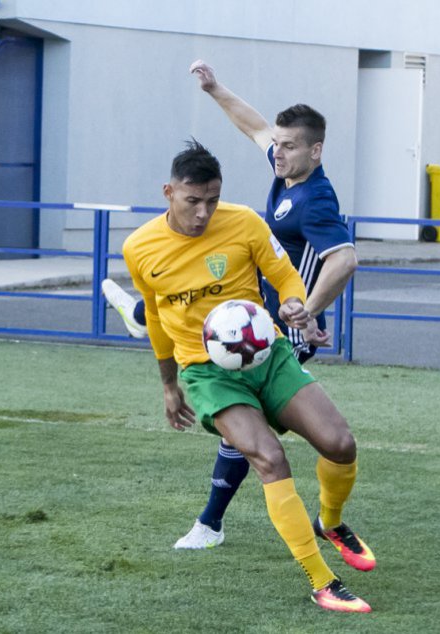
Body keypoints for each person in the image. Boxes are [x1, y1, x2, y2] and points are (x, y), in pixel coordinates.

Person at [103, 59, 357, 550]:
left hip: (279, 326)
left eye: (286, 146)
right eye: (277, 146)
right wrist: (215, 89)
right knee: (241, 427)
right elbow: (255, 125)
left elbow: (344, 259)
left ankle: (212, 522)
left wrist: (309, 312)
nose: (274, 151)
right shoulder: (287, 174)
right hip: (242, 320)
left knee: (250, 434)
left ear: (315, 151)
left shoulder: (315, 200)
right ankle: (211, 522)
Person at [122, 140, 373, 612]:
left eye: (212, 200)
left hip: (269, 354)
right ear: (168, 193)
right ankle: (322, 580)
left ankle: (332, 521)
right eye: (192, 201)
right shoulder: (139, 247)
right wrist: (168, 383)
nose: (203, 212)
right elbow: (156, 317)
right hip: (207, 373)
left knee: (340, 443)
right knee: (269, 458)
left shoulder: (244, 223)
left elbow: (284, 274)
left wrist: (297, 302)